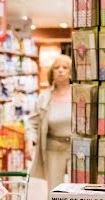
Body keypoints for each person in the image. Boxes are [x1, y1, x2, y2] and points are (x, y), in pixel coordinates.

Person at [29, 54, 73, 190]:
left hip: (77, 148)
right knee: (55, 190)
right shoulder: (44, 97)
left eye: (65, 67)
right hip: (53, 147)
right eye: (56, 67)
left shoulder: (79, 94)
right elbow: (33, 122)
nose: (60, 70)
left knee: (78, 188)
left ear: (71, 72)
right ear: (51, 72)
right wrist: (30, 140)